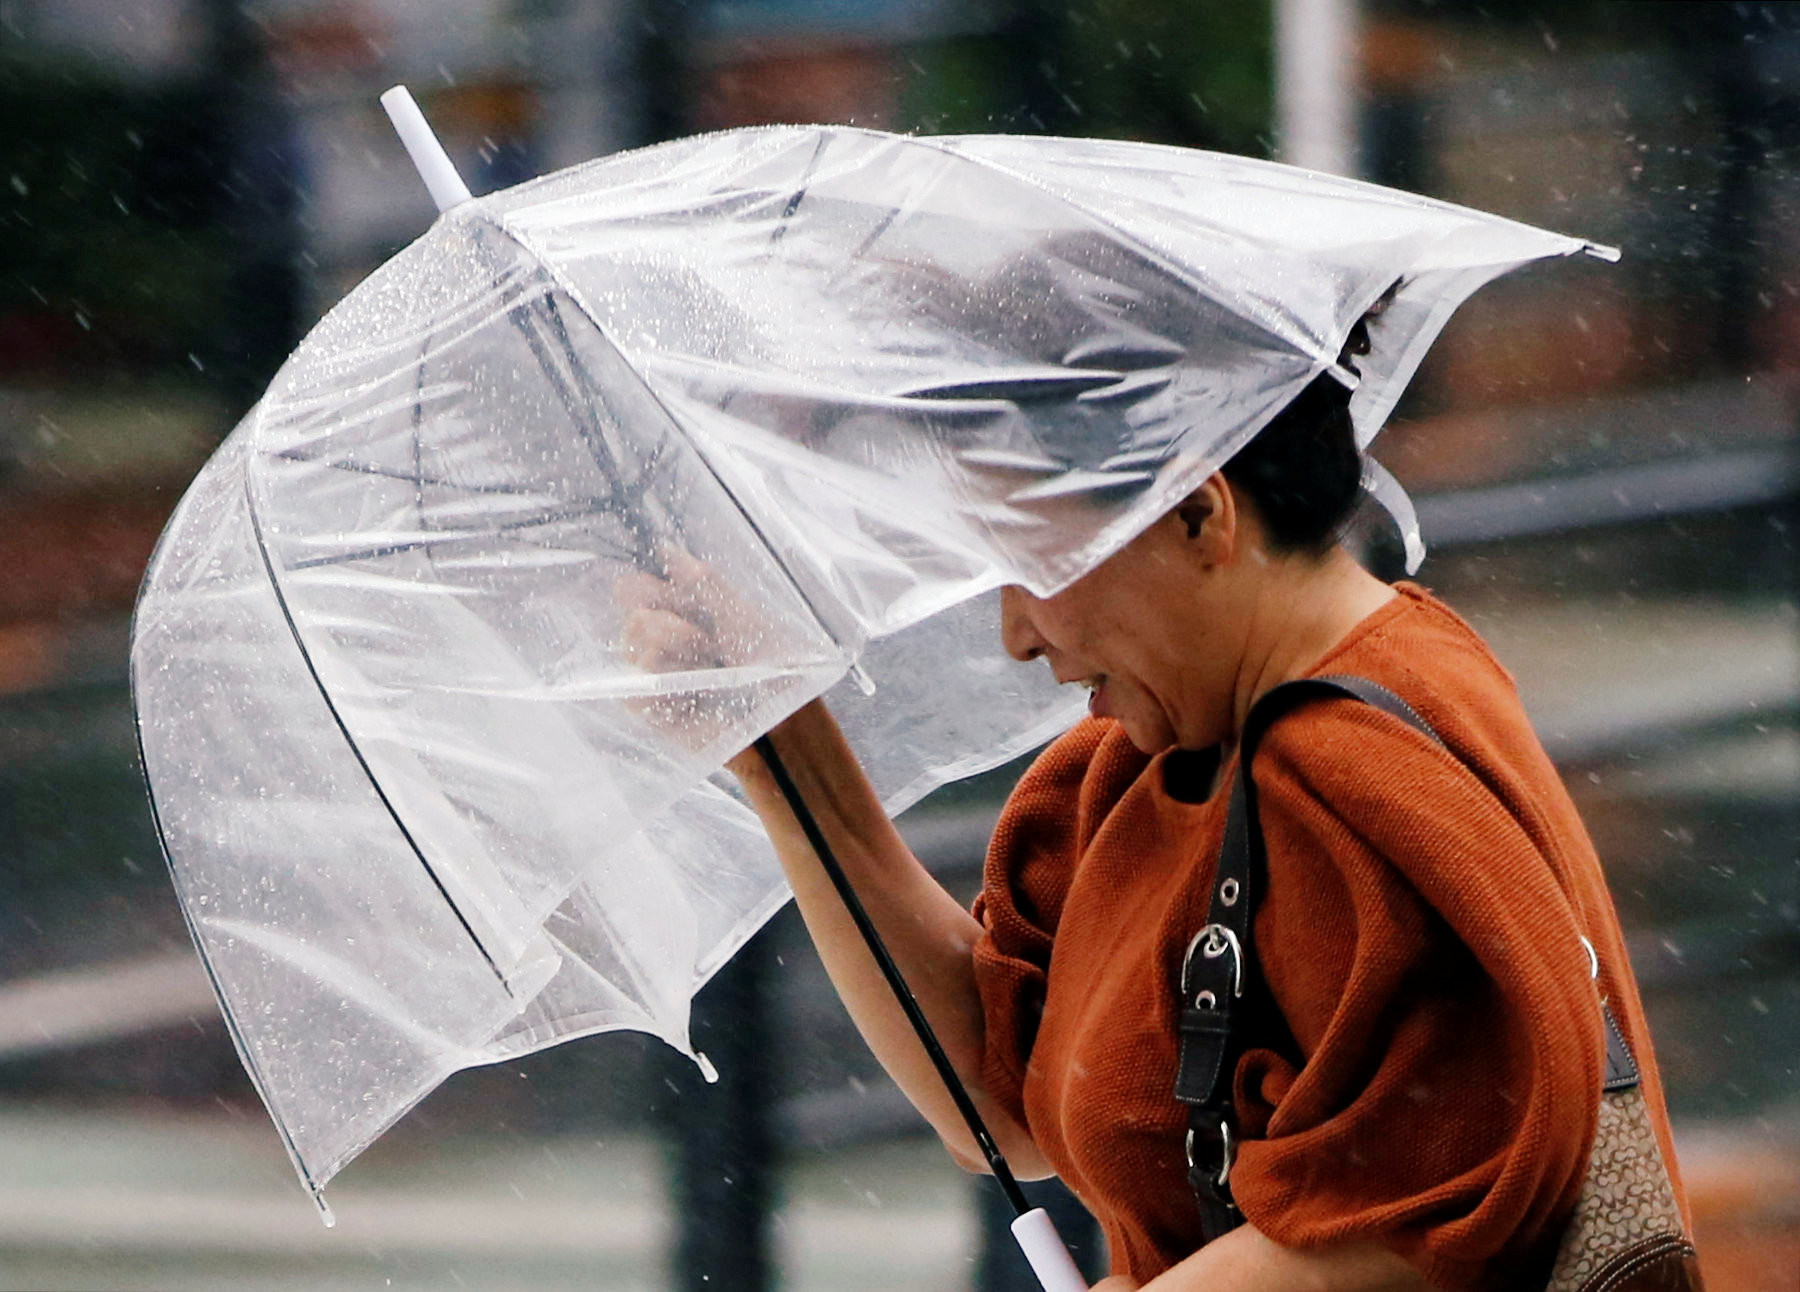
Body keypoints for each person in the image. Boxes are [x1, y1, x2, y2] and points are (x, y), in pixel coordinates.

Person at [621, 365, 1692, 1291]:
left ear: (1199, 513)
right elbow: (1001, 1100)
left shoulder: (1354, 767)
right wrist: (781, 752)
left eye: (1030, 566)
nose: (1015, 634)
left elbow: (1419, 1213)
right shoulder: (1160, 756)